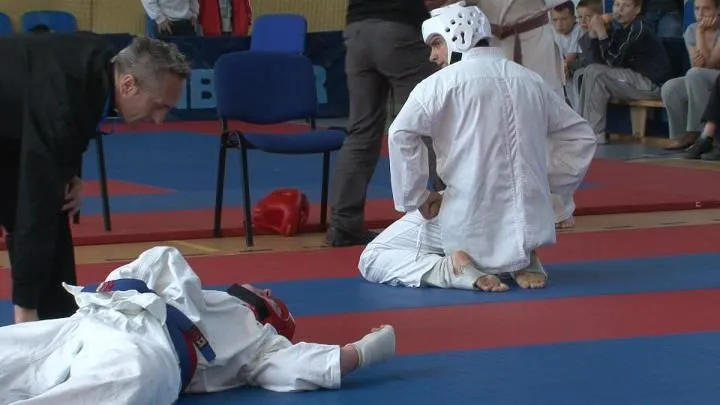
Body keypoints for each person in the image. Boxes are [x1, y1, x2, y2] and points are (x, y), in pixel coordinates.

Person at [363, 3, 596, 292]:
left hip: (467, 219)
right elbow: (582, 136)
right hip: (527, 220)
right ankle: (518, 259)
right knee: (502, 212)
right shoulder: (530, 80)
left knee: (373, 258)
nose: (433, 56)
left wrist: (417, 197)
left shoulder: (438, 85)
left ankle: (451, 269)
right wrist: (546, 186)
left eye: (436, 44)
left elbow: (400, 134)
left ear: (458, 37)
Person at [0, 246, 396, 404]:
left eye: (271, 295)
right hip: (98, 317)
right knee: (14, 350)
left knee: (130, 379)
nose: (267, 287)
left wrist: (358, 353)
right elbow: (158, 258)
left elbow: (294, 366)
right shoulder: (197, 290)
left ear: (268, 314)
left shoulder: (261, 340)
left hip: (154, 348)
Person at [0, 33, 190, 324]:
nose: (159, 119)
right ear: (128, 85)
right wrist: (25, 307)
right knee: (36, 210)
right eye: (158, 106)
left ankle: (61, 321)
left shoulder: (102, 64)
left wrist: (69, 173)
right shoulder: (65, 98)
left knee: (55, 206)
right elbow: (34, 207)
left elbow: (69, 124)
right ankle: (35, 319)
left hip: (13, 120)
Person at [327, 0, 443, 248]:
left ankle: (343, 224)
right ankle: (454, 211)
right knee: (432, 124)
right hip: (399, 28)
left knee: (361, 131)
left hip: (357, 30)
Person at [578, 0, 672, 144]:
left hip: (651, 84)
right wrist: (593, 32)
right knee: (589, 70)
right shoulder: (620, 28)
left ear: (637, 9)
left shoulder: (639, 28)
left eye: (626, 6)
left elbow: (613, 61)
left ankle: (594, 134)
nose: (619, 10)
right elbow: (596, 61)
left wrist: (602, 32)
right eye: (617, 5)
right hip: (633, 79)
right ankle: (583, 129)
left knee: (596, 73)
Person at [661, 0, 720, 151]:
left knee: (695, 74)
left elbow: (712, 63)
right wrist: (699, 31)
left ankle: (699, 134)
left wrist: (701, 32)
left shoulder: (699, 30)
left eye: (706, 9)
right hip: (701, 76)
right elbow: (697, 63)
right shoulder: (691, 30)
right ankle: (682, 136)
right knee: (671, 87)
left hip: (717, 79)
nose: (700, 14)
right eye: (697, 9)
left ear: (717, 10)